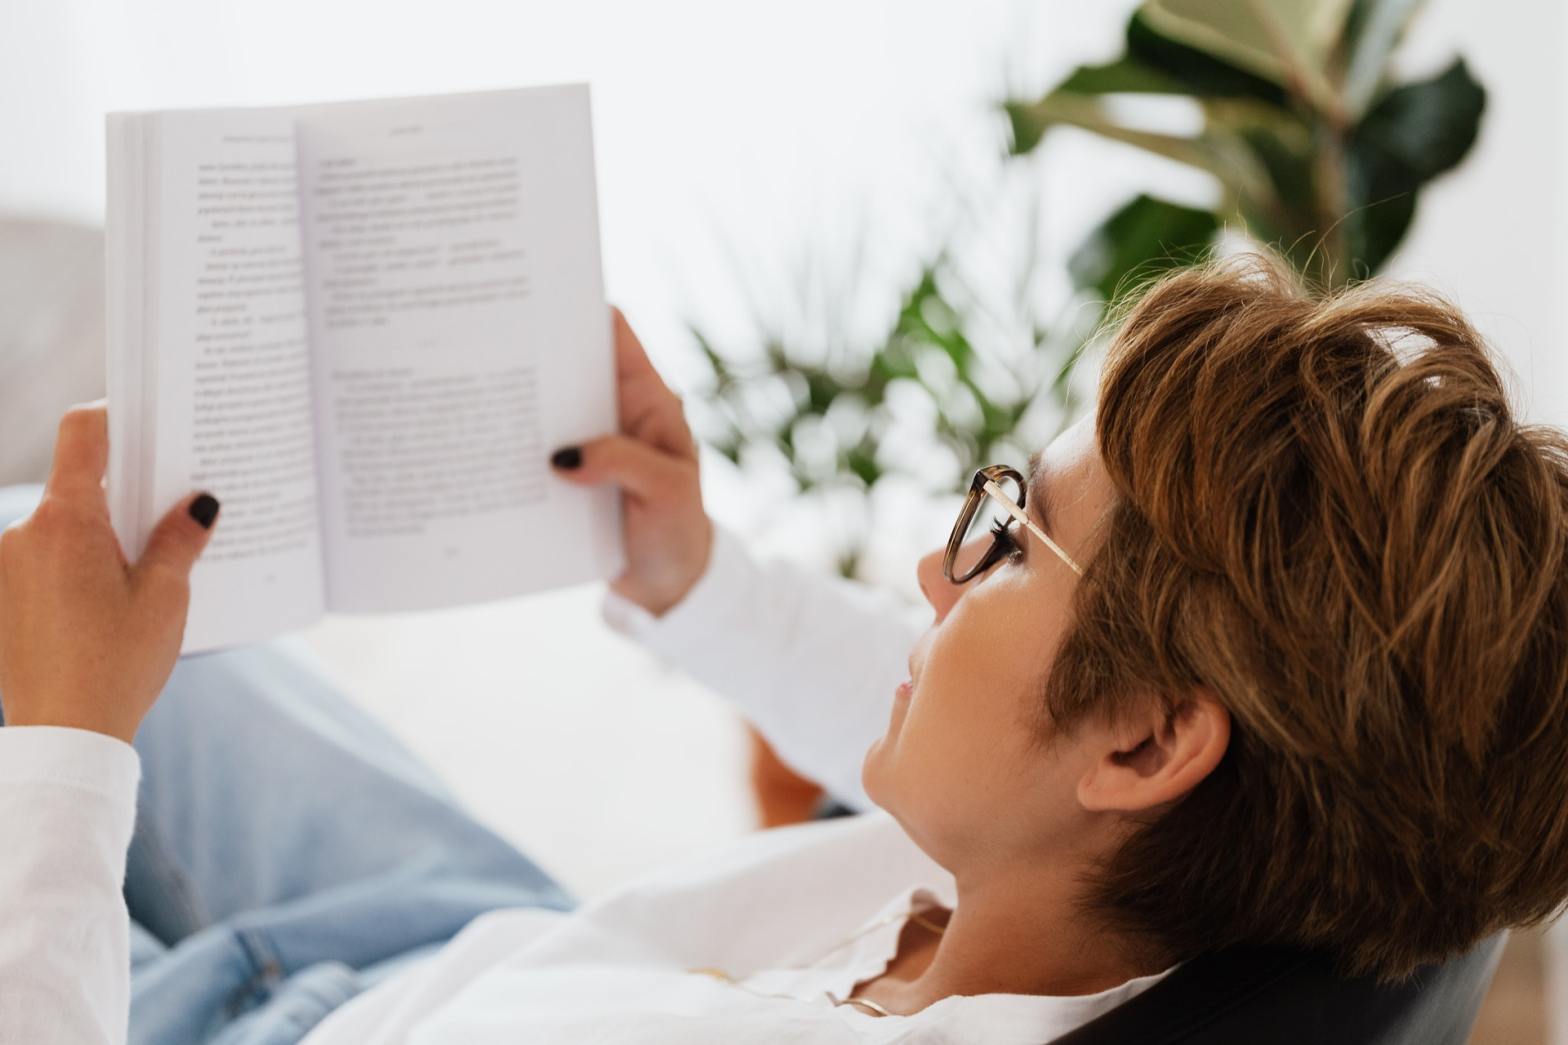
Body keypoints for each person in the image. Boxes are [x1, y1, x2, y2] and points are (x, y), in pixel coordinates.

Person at [3, 254, 1568, 1044]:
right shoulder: (1099, 892)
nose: (934, 569)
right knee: (48, 539)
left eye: (1009, 539)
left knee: (54, 645)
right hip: (491, 947)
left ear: (1150, 741)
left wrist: (70, 747)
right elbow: (966, 724)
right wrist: (691, 572)